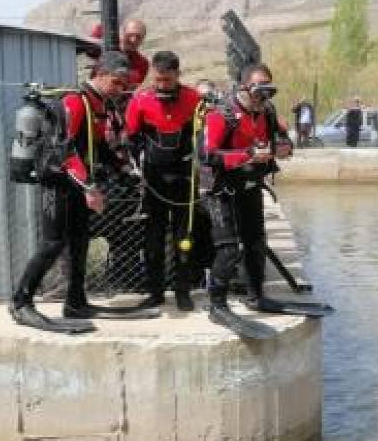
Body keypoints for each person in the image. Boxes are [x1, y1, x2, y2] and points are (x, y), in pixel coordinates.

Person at [11, 52, 148, 334]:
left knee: (80, 241)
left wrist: (126, 171)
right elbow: (65, 150)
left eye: (124, 84)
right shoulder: (75, 102)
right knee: (53, 243)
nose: (120, 88)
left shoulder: (99, 104)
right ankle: (20, 303)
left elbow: (99, 147)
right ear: (99, 74)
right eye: (116, 82)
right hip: (58, 182)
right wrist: (90, 187)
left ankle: (75, 302)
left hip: (77, 184)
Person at [201, 64, 315, 339]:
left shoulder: (268, 111)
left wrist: (283, 147)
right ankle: (216, 304)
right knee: (228, 249)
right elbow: (208, 155)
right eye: (258, 90)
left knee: (255, 242)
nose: (263, 97)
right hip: (220, 189)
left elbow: (280, 139)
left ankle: (256, 295)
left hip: (250, 185)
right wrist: (248, 154)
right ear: (243, 87)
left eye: (268, 91)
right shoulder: (221, 114)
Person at [125, 51, 203, 312]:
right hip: (153, 179)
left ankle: (183, 291)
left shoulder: (193, 98)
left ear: (177, 75)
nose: (162, 85)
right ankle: (155, 293)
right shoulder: (140, 100)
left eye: (167, 80)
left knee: (184, 237)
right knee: (153, 239)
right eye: (157, 80)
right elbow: (131, 138)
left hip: (184, 177)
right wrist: (134, 169)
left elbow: (204, 135)